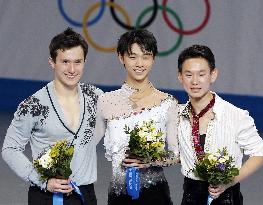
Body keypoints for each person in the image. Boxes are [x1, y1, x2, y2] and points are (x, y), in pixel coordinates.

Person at [2, 27, 103, 205]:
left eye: (78, 62)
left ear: (85, 61)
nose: (72, 69)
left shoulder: (96, 96)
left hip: (85, 195)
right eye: (65, 62)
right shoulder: (33, 105)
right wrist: (42, 180)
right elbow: (10, 149)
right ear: (52, 62)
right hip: (46, 196)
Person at [95, 29, 180, 205]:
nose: (140, 63)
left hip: (156, 194)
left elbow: (175, 154)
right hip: (119, 194)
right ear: (121, 58)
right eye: (133, 57)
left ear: (153, 59)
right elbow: (86, 145)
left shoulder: (168, 103)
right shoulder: (106, 102)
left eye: (146, 56)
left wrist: (150, 160)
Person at [176, 44, 263, 205]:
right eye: (188, 74)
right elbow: (177, 155)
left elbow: (260, 152)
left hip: (226, 197)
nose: (195, 81)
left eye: (201, 74)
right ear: (180, 77)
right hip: (190, 195)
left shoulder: (236, 115)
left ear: (213, 75)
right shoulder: (175, 115)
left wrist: (231, 180)